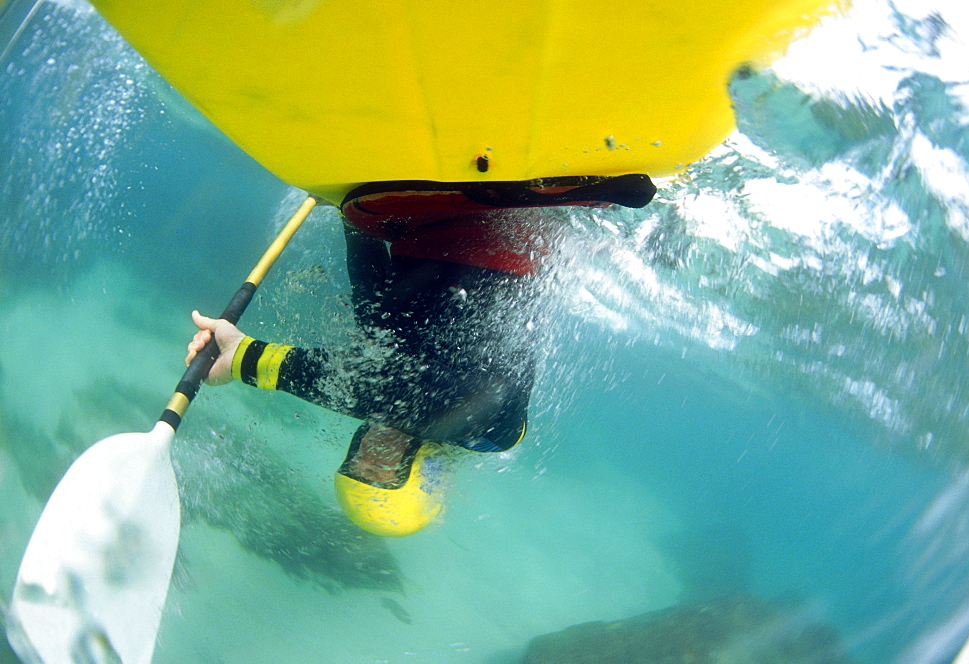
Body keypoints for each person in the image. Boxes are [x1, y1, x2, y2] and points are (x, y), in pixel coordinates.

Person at [187, 175, 656, 537]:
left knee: (376, 333)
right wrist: (248, 361)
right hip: (537, 210)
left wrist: (351, 212)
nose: (370, 453)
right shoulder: (493, 433)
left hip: (430, 209)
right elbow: (415, 398)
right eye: (383, 473)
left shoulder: (381, 378)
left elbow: (376, 302)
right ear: (423, 475)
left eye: (355, 465)